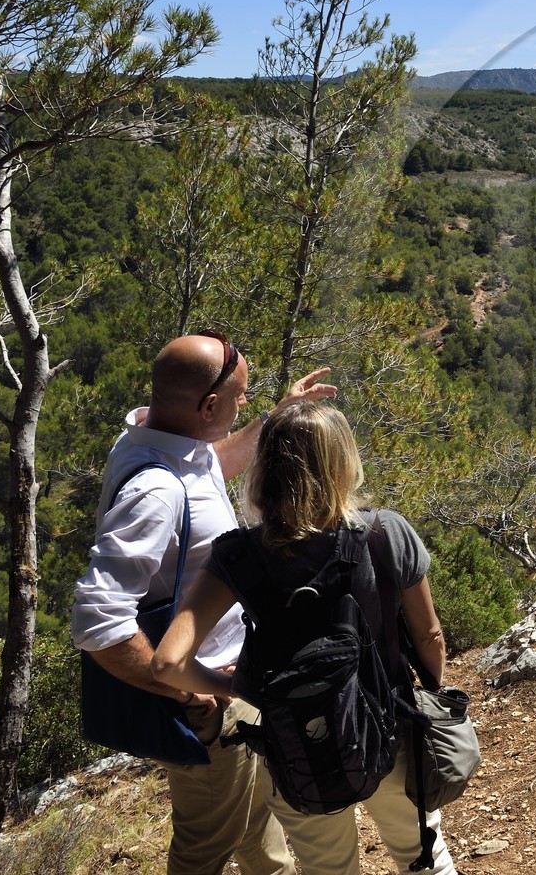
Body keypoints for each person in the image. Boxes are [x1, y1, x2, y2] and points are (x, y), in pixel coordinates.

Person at [151, 401, 457, 875]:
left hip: (297, 746)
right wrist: (432, 693)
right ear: (342, 462)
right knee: (424, 858)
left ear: (266, 468)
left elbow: (168, 663)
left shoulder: (239, 554)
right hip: (390, 728)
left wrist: (237, 687)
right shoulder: (386, 532)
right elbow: (430, 635)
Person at [72, 331, 335, 875]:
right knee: (204, 852)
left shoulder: (154, 438)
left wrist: (276, 416)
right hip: (210, 701)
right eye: (240, 396)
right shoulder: (156, 490)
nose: (246, 402)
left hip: (230, 685)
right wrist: (188, 687)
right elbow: (97, 621)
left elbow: (209, 464)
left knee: (256, 827)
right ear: (209, 406)